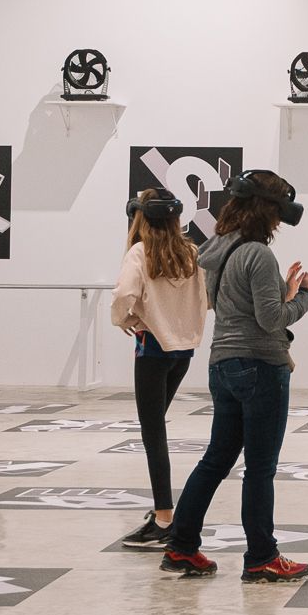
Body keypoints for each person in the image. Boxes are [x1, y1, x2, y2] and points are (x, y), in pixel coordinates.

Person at [161, 169, 308, 582]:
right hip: (261, 366)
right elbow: (271, 320)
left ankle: (181, 546)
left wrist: (281, 291)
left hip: (223, 364)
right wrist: (305, 297)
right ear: (269, 211)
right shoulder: (259, 254)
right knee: (260, 468)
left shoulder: (217, 248)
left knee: (215, 460)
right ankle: (262, 557)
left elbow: (230, 304)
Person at [109, 189, 206, 549]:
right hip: (183, 350)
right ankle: (163, 514)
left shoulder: (140, 252)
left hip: (152, 347)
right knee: (156, 428)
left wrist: (125, 320)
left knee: (153, 434)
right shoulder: (190, 251)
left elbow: (124, 295)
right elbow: (204, 297)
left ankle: (164, 517)